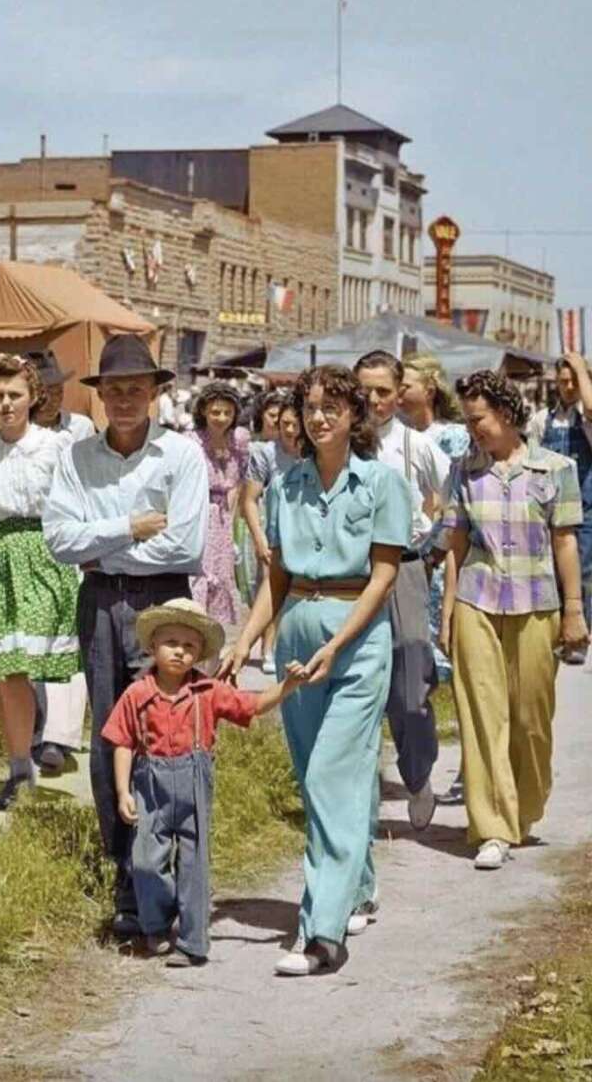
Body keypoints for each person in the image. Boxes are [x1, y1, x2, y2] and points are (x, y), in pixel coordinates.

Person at [219, 364, 411, 976]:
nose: (319, 417)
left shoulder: (382, 483)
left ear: (355, 416)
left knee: (334, 772)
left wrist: (340, 644)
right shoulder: (285, 485)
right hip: (297, 636)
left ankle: (321, 932)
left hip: (356, 640)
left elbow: (384, 575)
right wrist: (244, 641)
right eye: (310, 407)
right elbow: (275, 578)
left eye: (332, 407)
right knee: (317, 776)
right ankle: (357, 885)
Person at [42, 333, 208, 936]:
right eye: (115, 390)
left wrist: (104, 541)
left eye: (138, 388)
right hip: (100, 605)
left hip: (162, 603)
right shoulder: (77, 457)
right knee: (113, 731)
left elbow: (183, 545)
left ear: (157, 392)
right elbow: (60, 541)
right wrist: (130, 526)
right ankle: (125, 874)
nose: (127, 400)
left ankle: (165, 869)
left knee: (165, 732)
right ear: (100, 396)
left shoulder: (181, 456)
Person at [441, 370, 588, 870]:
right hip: (476, 603)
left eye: (477, 418)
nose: (472, 429)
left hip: (538, 602)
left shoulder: (556, 469)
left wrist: (574, 611)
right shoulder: (463, 471)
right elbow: (455, 547)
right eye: (467, 420)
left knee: (530, 719)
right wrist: (447, 613)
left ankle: (523, 807)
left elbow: (565, 541)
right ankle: (491, 827)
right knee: (482, 717)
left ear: (505, 413)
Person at [104, 598, 303, 965]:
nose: (179, 652)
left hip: (194, 780)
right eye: (171, 643)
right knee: (146, 859)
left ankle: (193, 941)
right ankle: (157, 923)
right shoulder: (137, 694)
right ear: (152, 647)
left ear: (198, 654)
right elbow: (121, 741)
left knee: (194, 861)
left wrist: (288, 685)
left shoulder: (208, 691)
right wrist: (122, 791)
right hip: (149, 784)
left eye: (189, 646)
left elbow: (252, 705)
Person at [0, 354, 80, 808]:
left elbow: (74, 504)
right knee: (7, 669)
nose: (6, 403)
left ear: (32, 396)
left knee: (33, 660)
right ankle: (18, 770)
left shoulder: (55, 446)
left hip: (47, 552)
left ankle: (49, 734)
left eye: (14, 395)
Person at [354, 350, 450, 832]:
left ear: (399, 393)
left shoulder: (417, 446)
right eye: (365, 391)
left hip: (406, 571)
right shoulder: (342, 444)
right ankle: (358, 797)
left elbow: (454, 502)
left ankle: (417, 776)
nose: (373, 401)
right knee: (355, 688)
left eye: (383, 391)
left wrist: (431, 545)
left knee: (411, 688)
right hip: (351, 574)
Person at [400, 353, 471, 806]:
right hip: (411, 562)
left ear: (429, 387)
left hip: (444, 560)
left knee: (460, 665)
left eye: (405, 382)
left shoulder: (451, 438)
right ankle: (417, 765)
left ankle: (471, 766)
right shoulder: (394, 438)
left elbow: (454, 502)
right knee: (415, 671)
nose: (399, 390)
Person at [24, 347, 96, 772]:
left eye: (57, 388)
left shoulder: (81, 429)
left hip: (73, 540)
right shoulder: (19, 434)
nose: (52, 397)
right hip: (31, 543)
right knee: (31, 640)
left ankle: (60, 736)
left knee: (70, 638)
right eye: (43, 390)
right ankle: (35, 724)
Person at [527, 352, 592, 634]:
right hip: (551, 504)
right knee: (552, 568)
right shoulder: (542, 419)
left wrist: (581, 369)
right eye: (563, 381)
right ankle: (556, 628)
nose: (568, 387)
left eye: (573, 381)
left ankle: (581, 629)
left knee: (585, 570)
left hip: (586, 506)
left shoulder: (586, 419)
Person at [240, 395, 302, 673]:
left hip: (306, 531)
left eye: (294, 424)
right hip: (273, 529)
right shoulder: (265, 453)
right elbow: (249, 500)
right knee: (269, 586)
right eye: (283, 423)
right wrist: (258, 537)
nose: (289, 430)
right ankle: (266, 648)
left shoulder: (314, 452)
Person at [185, 382, 250, 627]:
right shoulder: (192, 441)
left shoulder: (240, 440)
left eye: (227, 412)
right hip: (198, 514)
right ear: (203, 411)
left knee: (222, 579)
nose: (221, 418)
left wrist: (232, 527)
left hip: (224, 519)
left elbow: (239, 482)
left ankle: (213, 647)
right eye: (215, 412)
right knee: (199, 578)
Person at [26, 348, 96, 444]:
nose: (53, 401)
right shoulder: (18, 433)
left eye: (59, 392)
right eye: (44, 394)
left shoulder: (82, 427)